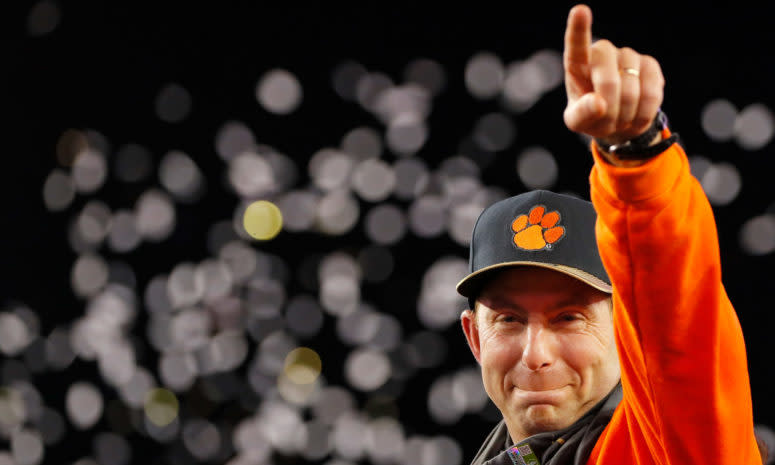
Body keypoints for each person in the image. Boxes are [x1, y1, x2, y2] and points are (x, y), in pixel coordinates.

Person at [456, 4, 763, 465]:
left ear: (624, 332)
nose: (535, 354)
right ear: (475, 339)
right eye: (508, 320)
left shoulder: (661, 448)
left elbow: (678, 329)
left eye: (569, 317)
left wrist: (637, 157)